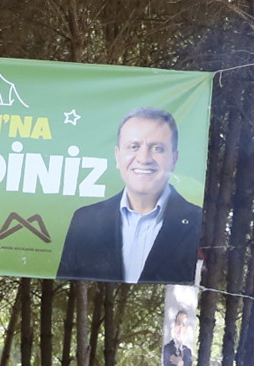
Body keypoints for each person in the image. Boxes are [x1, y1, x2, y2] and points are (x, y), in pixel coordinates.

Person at [56, 108, 203, 285]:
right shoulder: (84, 220)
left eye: (157, 148)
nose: (143, 158)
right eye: (133, 147)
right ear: (118, 156)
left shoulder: (198, 222)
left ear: (174, 159)